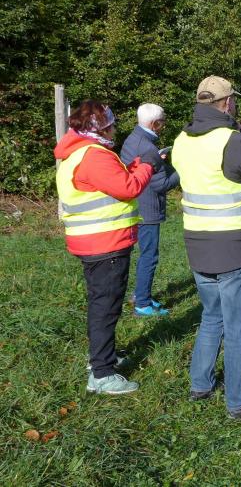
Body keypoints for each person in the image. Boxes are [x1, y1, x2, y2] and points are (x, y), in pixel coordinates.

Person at [171, 75, 241, 419]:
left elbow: (217, 172)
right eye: (232, 99)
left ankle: (201, 384)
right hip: (236, 248)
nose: (234, 103)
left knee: (211, 317)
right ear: (226, 103)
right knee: (239, 328)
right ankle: (239, 402)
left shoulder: (182, 140)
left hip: (198, 244)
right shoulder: (233, 142)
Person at [55, 100, 162, 394]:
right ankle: (102, 373)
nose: (114, 129)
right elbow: (128, 187)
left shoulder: (80, 152)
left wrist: (135, 166)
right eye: (110, 124)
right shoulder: (94, 155)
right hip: (105, 242)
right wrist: (148, 165)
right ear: (100, 128)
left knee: (101, 303)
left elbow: (116, 180)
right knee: (106, 306)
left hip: (94, 241)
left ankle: (103, 357)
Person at [121, 103, 180, 317]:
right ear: (155, 124)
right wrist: (182, 171)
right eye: (162, 122)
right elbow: (160, 184)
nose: (164, 126)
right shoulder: (148, 147)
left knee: (144, 253)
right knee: (149, 256)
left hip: (136, 205)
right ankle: (143, 304)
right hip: (147, 209)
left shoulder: (133, 138)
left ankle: (140, 294)